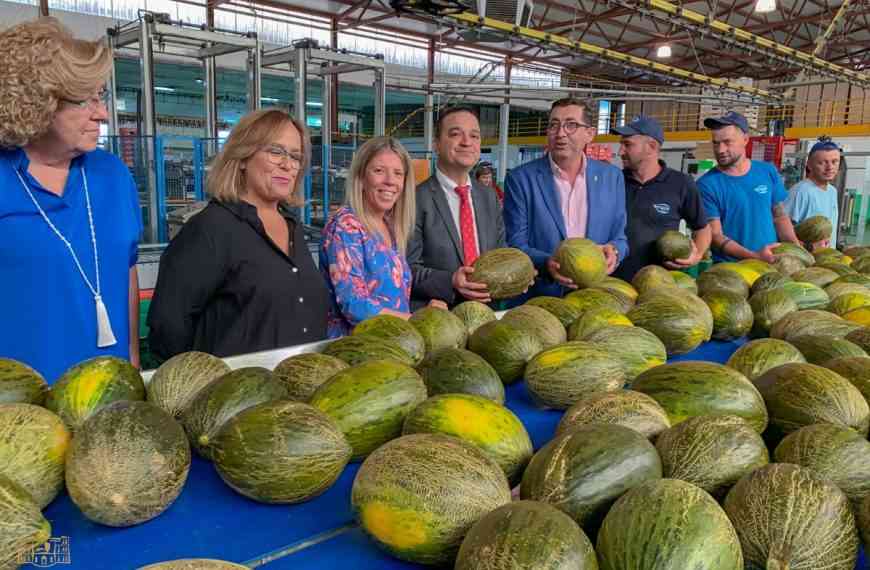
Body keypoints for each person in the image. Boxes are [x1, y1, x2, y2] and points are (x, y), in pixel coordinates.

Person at [0, 18, 142, 383]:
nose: (103, 113)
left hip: (106, 388)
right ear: (36, 103)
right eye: (84, 100)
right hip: (22, 398)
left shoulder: (111, 175)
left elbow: (126, 268)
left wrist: (131, 360)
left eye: (102, 96)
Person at [147, 109, 329, 360]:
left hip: (296, 388)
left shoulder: (292, 227)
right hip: (237, 392)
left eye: (295, 156)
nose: (288, 165)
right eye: (275, 152)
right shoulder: (211, 228)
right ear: (243, 157)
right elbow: (168, 325)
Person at [503, 97, 628, 298]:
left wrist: (615, 251)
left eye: (571, 125)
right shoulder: (520, 179)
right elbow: (515, 242)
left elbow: (620, 236)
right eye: (554, 125)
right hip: (541, 298)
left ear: (590, 134)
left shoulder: (612, 177)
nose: (560, 133)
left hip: (595, 294)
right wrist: (547, 263)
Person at [321, 137, 442, 337]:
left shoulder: (391, 226)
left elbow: (393, 299)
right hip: (357, 350)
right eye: (379, 171)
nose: (390, 181)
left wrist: (422, 313)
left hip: (392, 343)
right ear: (361, 178)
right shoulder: (346, 226)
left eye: (398, 173)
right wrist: (417, 320)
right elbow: (355, 306)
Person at [407, 107, 506, 309]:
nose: (467, 142)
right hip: (439, 318)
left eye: (474, 136)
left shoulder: (489, 196)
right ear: (436, 144)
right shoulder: (415, 199)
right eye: (455, 134)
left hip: (488, 314)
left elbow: (501, 254)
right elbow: (405, 269)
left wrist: (516, 276)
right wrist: (450, 280)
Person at [611, 115, 711, 281]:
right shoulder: (614, 182)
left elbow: (702, 228)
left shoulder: (681, 184)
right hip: (614, 283)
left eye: (627, 144)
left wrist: (697, 254)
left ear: (651, 146)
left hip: (659, 284)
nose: (620, 151)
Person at [697, 111, 801, 262]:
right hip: (731, 272)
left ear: (745, 140)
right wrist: (754, 257)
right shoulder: (706, 185)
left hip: (771, 264)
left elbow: (779, 217)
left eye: (727, 142)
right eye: (716, 143)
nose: (720, 150)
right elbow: (715, 235)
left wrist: (797, 248)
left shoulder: (767, 171)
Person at [785, 138, 842, 250]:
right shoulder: (801, 191)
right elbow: (780, 230)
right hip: (805, 261)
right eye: (822, 162)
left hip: (826, 258)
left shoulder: (832, 191)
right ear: (809, 165)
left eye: (834, 162)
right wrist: (808, 247)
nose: (830, 167)